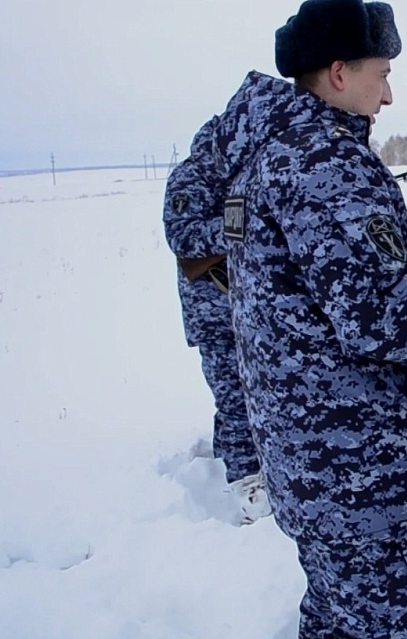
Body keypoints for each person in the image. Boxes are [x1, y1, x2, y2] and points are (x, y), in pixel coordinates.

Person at [216, 1, 407, 637]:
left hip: (308, 462)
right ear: (339, 73)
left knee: (335, 617)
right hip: (357, 473)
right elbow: (382, 323)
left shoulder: (266, 155)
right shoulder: (327, 166)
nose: (389, 94)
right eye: (383, 73)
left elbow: (308, 292)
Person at [162, 118, 270, 525]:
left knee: (244, 392)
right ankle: (249, 488)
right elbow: (185, 238)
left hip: (241, 307)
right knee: (235, 396)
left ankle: (229, 451)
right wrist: (248, 226)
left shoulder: (235, 176)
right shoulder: (189, 178)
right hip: (213, 312)